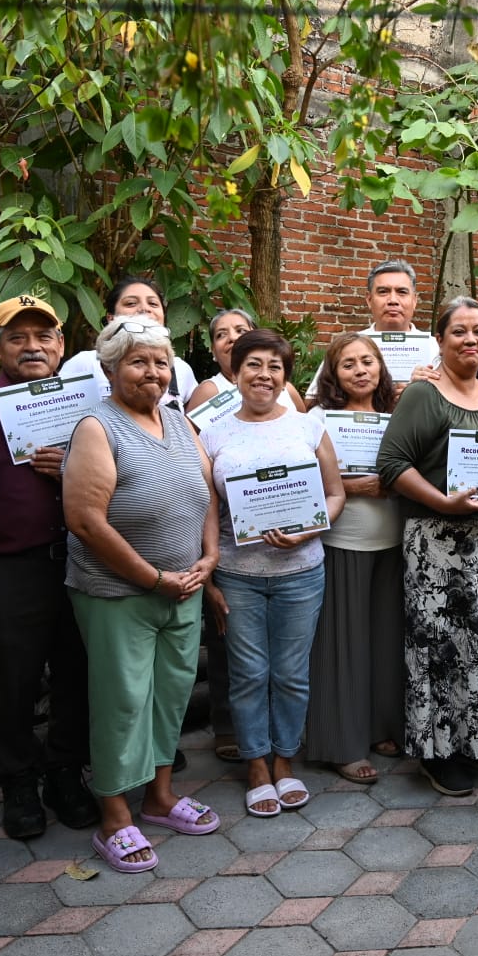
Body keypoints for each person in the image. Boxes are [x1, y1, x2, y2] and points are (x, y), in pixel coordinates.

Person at [63, 316, 220, 874]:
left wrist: (209, 556)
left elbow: (204, 492)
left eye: (159, 361)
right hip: (117, 592)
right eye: (137, 361)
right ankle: (114, 818)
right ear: (109, 369)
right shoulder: (96, 427)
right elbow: (85, 521)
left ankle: (158, 798)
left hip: (185, 586)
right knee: (121, 701)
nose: (151, 372)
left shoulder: (179, 421)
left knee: (170, 695)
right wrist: (153, 578)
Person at [377, 297, 478, 797]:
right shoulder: (424, 395)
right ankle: (438, 753)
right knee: (443, 648)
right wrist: (443, 504)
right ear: (440, 341)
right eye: (459, 333)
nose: (472, 341)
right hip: (439, 541)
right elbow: (392, 465)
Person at [0, 296, 96, 840]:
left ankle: (66, 770)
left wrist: (70, 469)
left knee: (79, 672)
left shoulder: (88, 408)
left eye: (45, 336)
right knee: (14, 681)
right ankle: (17, 779)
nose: (33, 346)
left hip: (85, 559)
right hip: (14, 564)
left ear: (62, 345)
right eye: (18, 337)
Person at [200, 330, 344, 817]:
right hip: (239, 575)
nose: (265, 375)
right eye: (254, 365)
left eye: (275, 367)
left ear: (287, 376)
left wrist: (308, 530)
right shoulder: (213, 434)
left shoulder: (308, 425)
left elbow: (335, 493)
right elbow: (207, 511)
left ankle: (284, 760)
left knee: (290, 674)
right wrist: (212, 577)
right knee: (247, 674)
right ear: (235, 372)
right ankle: (256, 765)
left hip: (301, 571)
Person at [183, 308, 300, 767]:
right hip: (233, 548)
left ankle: (282, 740)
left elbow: (307, 464)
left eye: (241, 332)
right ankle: (233, 730)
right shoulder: (208, 397)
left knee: (287, 659)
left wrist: (302, 518)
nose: (231, 338)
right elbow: (199, 473)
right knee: (232, 645)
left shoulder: (288, 397)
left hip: (292, 552)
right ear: (217, 352)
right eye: (220, 335)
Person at [305, 332, 405, 783]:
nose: (361, 370)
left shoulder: (397, 415)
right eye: (348, 364)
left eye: (368, 361)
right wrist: (354, 486)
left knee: (385, 640)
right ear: (333, 375)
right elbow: (305, 482)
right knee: (342, 645)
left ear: (381, 368)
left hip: (394, 540)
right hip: (343, 540)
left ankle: (383, 726)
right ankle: (342, 744)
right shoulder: (318, 419)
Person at [305, 259, 438, 399]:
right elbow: (312, 401)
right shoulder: (347, 346)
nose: (393, 300)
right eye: (383, 292)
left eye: (402, 292)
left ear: (414, 300)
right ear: (369, 299)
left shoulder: (436, 348)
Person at [59, 276, 198, 409]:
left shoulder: (181, 369)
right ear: (111, 318)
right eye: (131, 303)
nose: (144, 309)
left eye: (153, 303)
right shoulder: (85, 364)